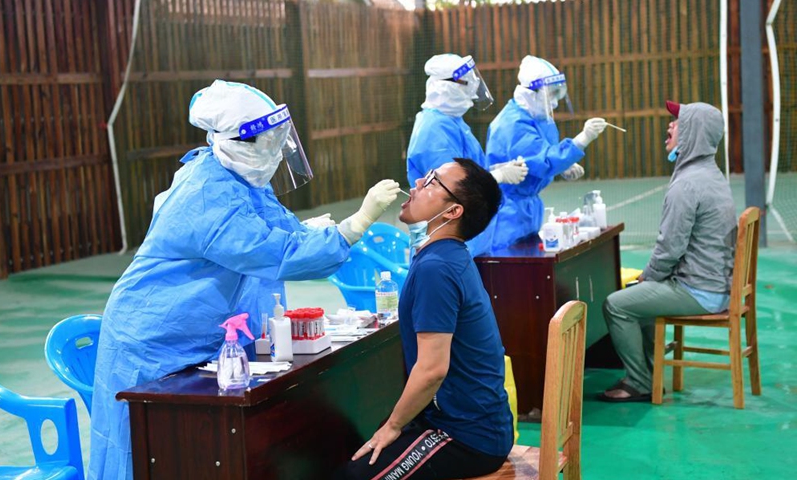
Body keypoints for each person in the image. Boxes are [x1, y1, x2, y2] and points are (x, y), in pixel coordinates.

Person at [89, 80, 401, 479]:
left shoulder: (242, 177)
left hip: (202, 335)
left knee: (203, 445)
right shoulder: (205, 193)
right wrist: (354, 226)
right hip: (156, 340)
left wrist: (321, 231)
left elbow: (280, 229)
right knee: (150, 448)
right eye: (266, 142)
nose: (272, 153)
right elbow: (276, 253)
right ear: (237, 140)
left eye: (279, 142)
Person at [338, 158, 513, 480]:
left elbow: (432, 370)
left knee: (355, 476)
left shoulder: (438, 268)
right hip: (454, 421)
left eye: (432, 182)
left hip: (468, 438)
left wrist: (393, 426)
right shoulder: (442, 256)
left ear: (452, 212)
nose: (417, 184)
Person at [599, 101, 737, 402]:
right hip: (716, 284)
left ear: (693, 133)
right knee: (642, 293)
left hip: (700, 290)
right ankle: (651, 373)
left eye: (677, 122)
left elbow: (669, 250)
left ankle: (638, 382)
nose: (670, 126)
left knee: (617, 304)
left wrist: (647, 278)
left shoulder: (687, 185)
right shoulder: (712, 175)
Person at [407, 53, 528, 255]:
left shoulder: (452, 122)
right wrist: (495, 177)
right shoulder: (433, 129)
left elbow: (466, 167)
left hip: (467, 236)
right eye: (466, 82)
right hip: (444, 239)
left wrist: (494, 170)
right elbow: (450, 187)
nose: (471, 89)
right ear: (446, 86)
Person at [485, 55, 608, 249]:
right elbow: (543, 160)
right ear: (532, 93)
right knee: (509, 267)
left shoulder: (536, 117)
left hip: (527, 209)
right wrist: (581, 140)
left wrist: (562, 165)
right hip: (508, 214)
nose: (555, 102)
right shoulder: (512, 124)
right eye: (551, 94)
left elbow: (544, 153)